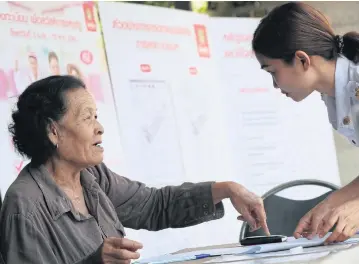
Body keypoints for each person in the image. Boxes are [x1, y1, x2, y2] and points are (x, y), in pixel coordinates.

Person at [0, 75, 270, 263]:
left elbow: (153, 205)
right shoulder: (24, 205)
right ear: (53, 131)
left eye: (96, 115)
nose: (99, 127)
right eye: (86, 117)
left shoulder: (93, 177)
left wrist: (226, 189)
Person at [252, 1, 359, 244]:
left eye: (272, 72)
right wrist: (328, 205)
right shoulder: (335, 93)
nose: (275, 86)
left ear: (302, 60)